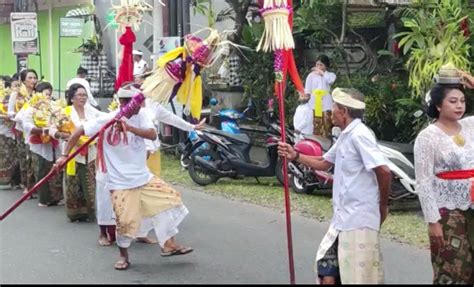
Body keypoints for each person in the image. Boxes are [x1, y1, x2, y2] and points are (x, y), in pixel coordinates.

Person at [55, 87, 193, 271]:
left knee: (170, 201)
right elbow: (79, 131)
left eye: (137, 102)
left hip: (143, 177)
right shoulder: (108, 118)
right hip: (120, 182)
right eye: (130, 103)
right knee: (125, 222)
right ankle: (123, 256)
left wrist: (131, 128)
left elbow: (152, 134)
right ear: (122, 103)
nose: (137, 106)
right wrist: (64, 155)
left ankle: (169, 243)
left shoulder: (142, 115)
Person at [278, 88, 392, 284]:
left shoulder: (360, 135)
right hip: (342, 219)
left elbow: (383, 171)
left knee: (357, 279)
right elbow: (324, 162)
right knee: (327, 271)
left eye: (334, 107)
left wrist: (382, 205)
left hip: (359, 220)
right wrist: (295, 155)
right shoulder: (346, 136)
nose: (331, 111)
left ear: (344, 111)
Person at [414, 77, 474, 284]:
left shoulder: (470, 126)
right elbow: (423, 181)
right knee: (453, 266)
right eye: (453, 101)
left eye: (462, 101)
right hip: (448, 212)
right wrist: (433, 221)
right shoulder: (428, 136)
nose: (459, 106)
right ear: (438, 105)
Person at [60, 83, 104, 221]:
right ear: (72, 97)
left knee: (90, 182)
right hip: (74, 152)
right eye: (79, 95)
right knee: (74, 182)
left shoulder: (91, 110)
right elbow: (59, 131)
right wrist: (74, 138)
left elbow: (103, 119)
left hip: (91, 152)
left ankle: (91, 212)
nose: (82, 98)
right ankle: (76, 213)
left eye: (84, 95)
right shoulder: (65, 112)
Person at [22, 82, 67, 207]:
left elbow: (62, 118)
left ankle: (57, 197)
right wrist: (42, 130)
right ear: (38, 94)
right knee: (42, 169)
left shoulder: (54, 106)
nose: (47, 96)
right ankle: (45, 198)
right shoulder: (31, 108)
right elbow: (27, 125)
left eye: (49, 94)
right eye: (45, 94)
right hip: (39, 144)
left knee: (56, 168)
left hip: (54, 142)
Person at [8, 69, 38, 195]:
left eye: (34, 78)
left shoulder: (38, 93)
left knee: (34, 157)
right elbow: (10, 113)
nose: (33, 80)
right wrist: (19, 117)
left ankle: (35, 184)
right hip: (21, 130)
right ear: (23, 80)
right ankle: (26, 185)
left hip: (35, 129)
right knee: (24, 157)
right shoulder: (16, 94)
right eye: (30, 78)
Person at [304, 55, 336, 138]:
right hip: (315, 102)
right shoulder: (311, 76)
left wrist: (322, 73)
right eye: (317, 65)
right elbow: (308, 90)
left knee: (327, 123)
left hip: (326, 102)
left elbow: (330, 80)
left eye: (321, 65)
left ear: (326, 66)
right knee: (316, 124)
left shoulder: (330, 75)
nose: (318, 67)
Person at [0, 77, 17, 187]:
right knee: (5, 156)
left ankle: (14, 179)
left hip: (15, 131)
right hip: (4, 131)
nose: (17, 88)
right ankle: (4, 180)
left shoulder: (19, 98)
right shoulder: (5, 98)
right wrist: (5, 116)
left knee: (14, 156)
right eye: (15, 86)